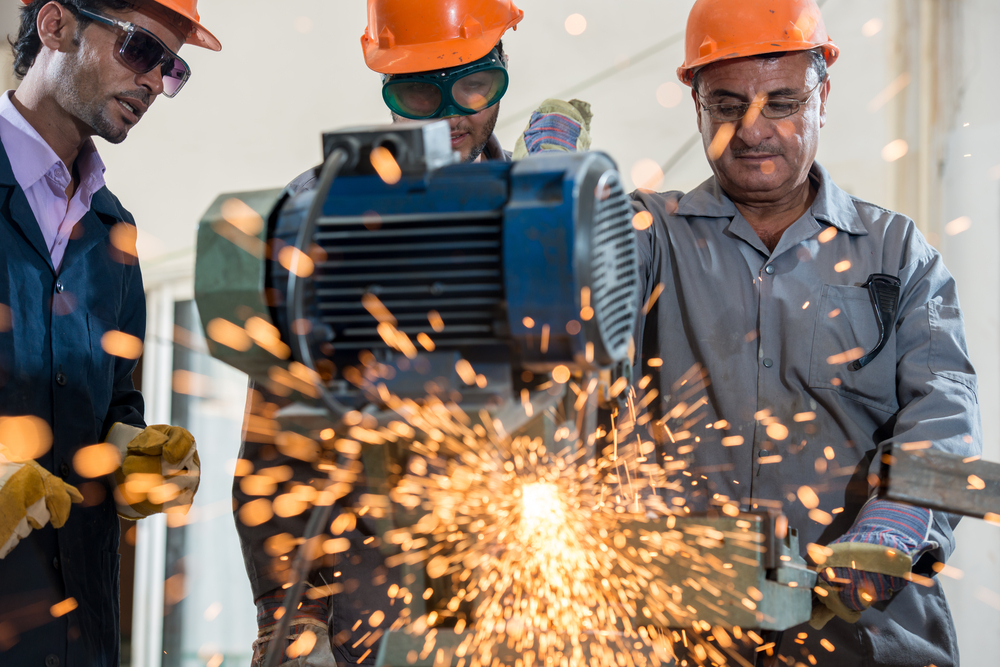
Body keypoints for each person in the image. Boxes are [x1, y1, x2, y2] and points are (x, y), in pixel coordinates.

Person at [232, 2, 595, 666]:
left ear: (503, 68)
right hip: (365, 600)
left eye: (475, 87)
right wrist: (292, 619)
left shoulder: (545, 205)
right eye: (423, 92)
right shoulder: (322, 212)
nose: (453, 115)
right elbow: (275, 444)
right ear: (387, 84)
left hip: (516, 587)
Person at [630, 0, 979, 665]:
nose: (753, 131)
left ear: (824, 95)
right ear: (697, 106)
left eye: (783, 103)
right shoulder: (650, 238)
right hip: (686, 635)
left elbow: (949, 418)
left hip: (868, 635)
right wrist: (548, 186)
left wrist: (902, 521)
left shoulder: (898, 252)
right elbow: (566, 296)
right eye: (727, 106)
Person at [0, 0, 219, 664]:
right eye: (139, 50)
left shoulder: (111, 233)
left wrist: (135, 450)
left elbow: (112, 402)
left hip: (81, 634)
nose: (154, 81)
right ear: (56, 26)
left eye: (171, 68)